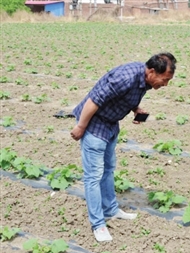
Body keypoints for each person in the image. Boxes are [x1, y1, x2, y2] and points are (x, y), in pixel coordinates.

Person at [70, 52, 177, 242]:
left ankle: (111, 209)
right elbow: (94, 100)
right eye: (164, 79)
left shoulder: (145, 79)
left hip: (111, 124)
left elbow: (127, 97)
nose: (165, 84)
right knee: (93, 176)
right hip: (95, 125)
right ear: (152, 71)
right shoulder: (125, 78)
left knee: (109, 169)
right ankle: (98, 224)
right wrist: (80, 126)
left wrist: (136, 109)